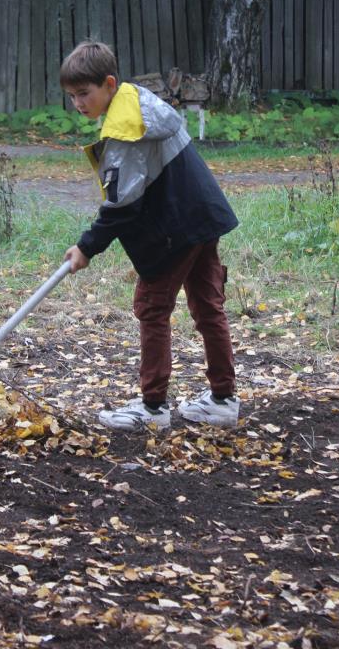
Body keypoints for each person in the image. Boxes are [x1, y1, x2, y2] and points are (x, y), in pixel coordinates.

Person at [60, 40, 240, 431]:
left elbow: (122, 206)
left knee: (152, 308)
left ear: (109, 83)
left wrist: (86, 247)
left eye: (84, 94)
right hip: (202, 215)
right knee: (209, 306)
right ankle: (223, 399)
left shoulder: (127, 130)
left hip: (176, 229)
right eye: (72, 96)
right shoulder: (140, 103)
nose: (78, 103)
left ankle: (153, 407)